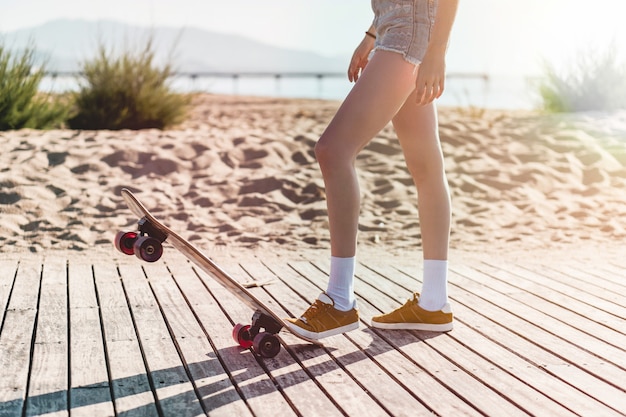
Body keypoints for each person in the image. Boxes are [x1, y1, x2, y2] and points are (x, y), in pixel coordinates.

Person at [285, 0, 459, 340]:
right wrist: (371, 35)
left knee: (333, 151)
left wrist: (437, 51)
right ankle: (434, 303)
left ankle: (339, 300)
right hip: (399, 34)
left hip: (407, 40)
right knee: (426, 168)